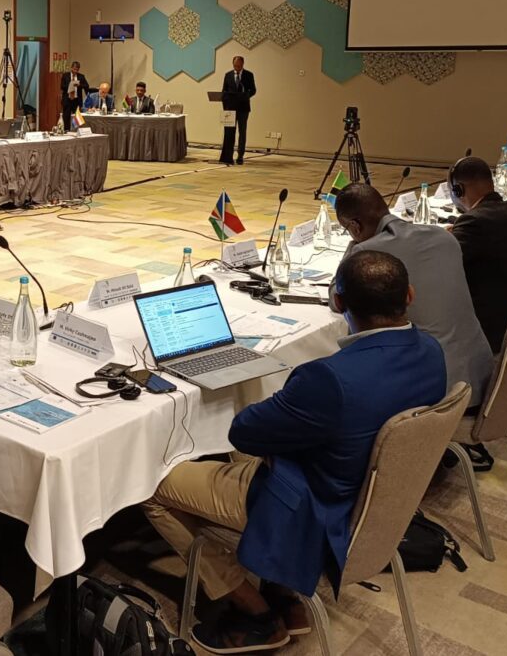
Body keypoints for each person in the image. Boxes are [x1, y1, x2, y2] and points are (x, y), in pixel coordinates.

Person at [143, 251, 446, 653]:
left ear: (337, 301)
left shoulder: (329, 379)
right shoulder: (432, 351)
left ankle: (255, 612)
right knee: (267, 447)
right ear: (409, 295)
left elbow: (243, 433)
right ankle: (283, 593)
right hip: (370, 501)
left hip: (313, 507)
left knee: (148, 486)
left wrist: (286, 404)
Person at [334, 182, 492, 407]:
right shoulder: (444, 236)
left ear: (355, 226)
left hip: (436, 394)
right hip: (482, 377)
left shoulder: (367, 254)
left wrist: (353, 247)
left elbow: (337, 297)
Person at [448, 156, 507, 353]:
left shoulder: (473, 223)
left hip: (493, 330)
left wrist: (442, 238)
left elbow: (443, 261)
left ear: (459, 190)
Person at [220, 56, 255, 165]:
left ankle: (240, 155)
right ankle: (228, 155)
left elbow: (253, 90)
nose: (237, 68)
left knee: (242, 132)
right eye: (235, 66)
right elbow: (224, 91)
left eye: (239, 66)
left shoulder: (249, 75)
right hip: (230, 109)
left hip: (243, 109)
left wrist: (246, 95)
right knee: (230, 132)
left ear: (243, 64)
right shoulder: (228, 75)